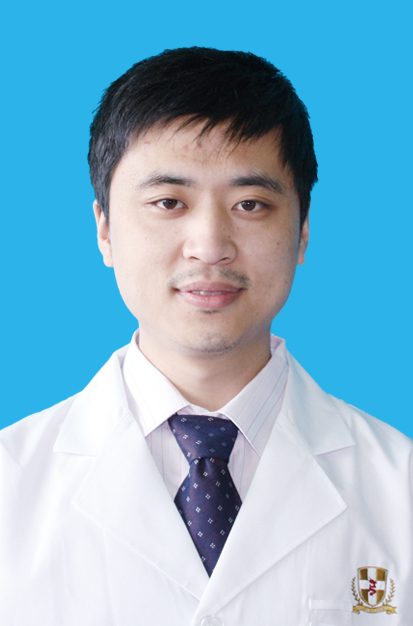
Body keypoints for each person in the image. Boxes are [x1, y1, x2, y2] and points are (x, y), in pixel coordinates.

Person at [0, 47, 411, 626]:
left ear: (302, 232)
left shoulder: (400, 490)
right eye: (169, 202)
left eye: (250, 204)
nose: (210, 245)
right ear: (105, 229)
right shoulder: (10, 485)